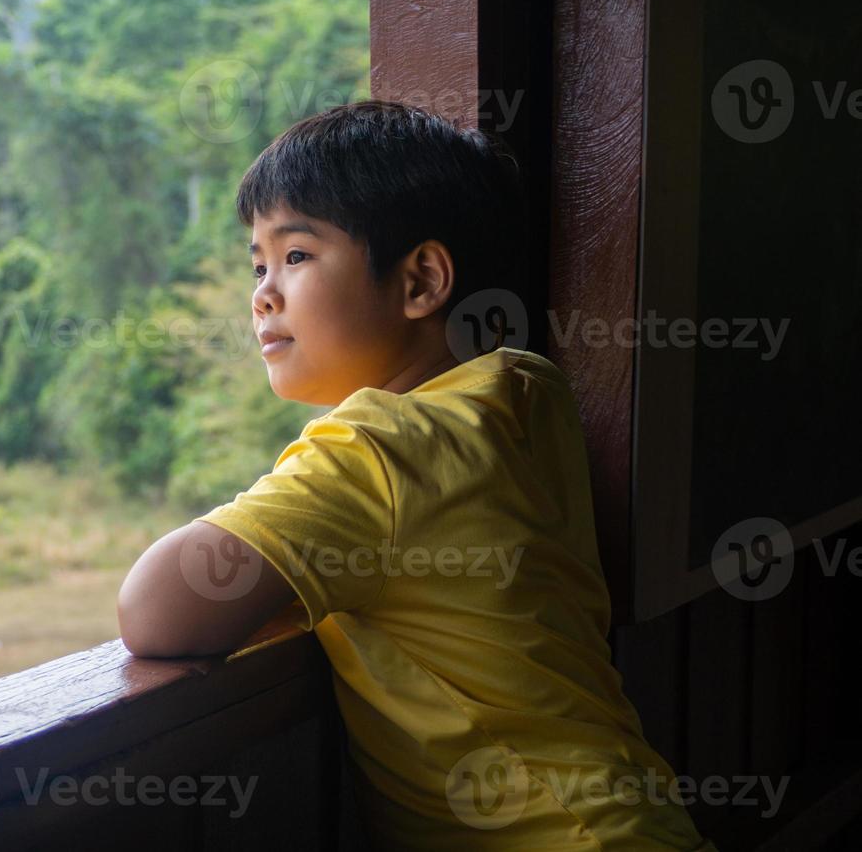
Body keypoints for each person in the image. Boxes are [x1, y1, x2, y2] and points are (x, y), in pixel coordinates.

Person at [117, 101, 715, 850]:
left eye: (296, 255)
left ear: (421, 280)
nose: (262, 293)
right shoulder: (522, 393)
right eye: (257, 264)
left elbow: (156, 610)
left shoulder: (381, 446)